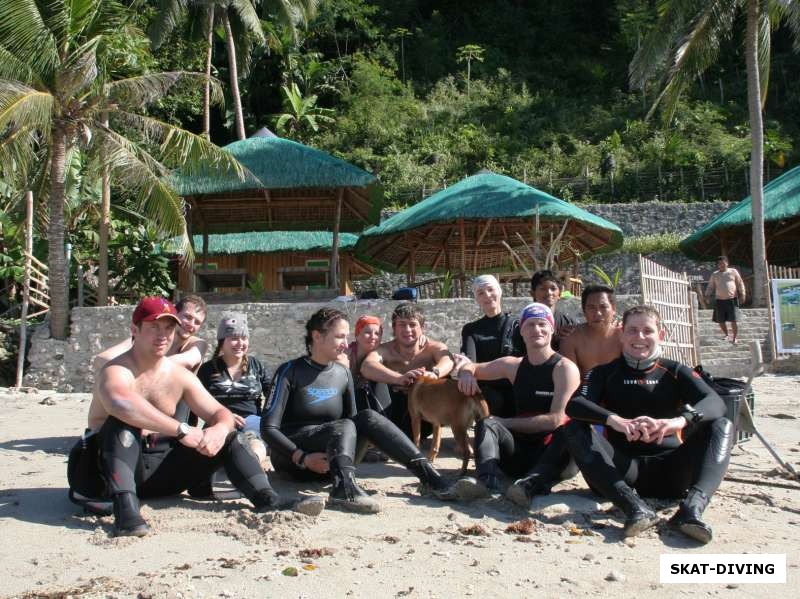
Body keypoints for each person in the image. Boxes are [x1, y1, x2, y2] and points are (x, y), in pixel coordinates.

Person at [68, 297, 284, 537]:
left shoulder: (179, 375)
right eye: (153, 327)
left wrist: (219, 430)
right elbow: (121, 404)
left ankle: (267, 498)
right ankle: (126, 513)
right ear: (134, 330)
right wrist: (182, 430)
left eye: (169, 328)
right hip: (105, 474)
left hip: (160, 472)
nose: (163, 335)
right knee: (123, 424)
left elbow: (219, 413)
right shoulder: (117, 370)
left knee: (231, 436)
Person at [564, 305, 734, 543]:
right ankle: (633, 508)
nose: (640, 337)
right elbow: (575, 405)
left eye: (647, 330)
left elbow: (715, 402)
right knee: (574, 427)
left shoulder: (674, 371)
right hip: (623, 472)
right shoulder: (604, 372)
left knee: (722, 425)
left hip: (673, 472)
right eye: (632, 330)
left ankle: (691, 510)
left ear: (660, 335)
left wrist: (677, 422)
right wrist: (615, 421)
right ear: (621, 334)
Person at [261, 307, 456, 514]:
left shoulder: (342, 373)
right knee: (345, 425)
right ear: (317, 337)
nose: (346, 344)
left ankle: (430, 477)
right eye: (339, 337)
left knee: (368, 417)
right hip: (294, 461)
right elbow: (268, 428)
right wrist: (301, 457)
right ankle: (343, 489)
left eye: (346, 337)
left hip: (333, 459)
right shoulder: (290, 371)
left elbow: (355, 422)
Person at [452, 303, 580, 505]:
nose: (536, 330)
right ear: (521, 330)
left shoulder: (565, 368)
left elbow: (554, 420)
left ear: (551, 329)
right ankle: (487, 482)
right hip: (520, 453)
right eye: (530, 325)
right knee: (487, 423)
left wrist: (505, 422)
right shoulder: (513, 366)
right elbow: (472, 366)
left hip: (553, 455)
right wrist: (467, 373)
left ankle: (531, 484)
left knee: (570, 429)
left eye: (542, 324)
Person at [87, 295, 209, 431]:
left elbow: (190, 359)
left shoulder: (197, 343)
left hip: (177, 408)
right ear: (175, 314)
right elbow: (101, 359)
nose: (191, 324)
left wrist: (147, 364)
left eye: (197, 322)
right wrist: (131, 369)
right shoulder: (143, 338)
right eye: (187, 317)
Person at [360, 303, 454, 438]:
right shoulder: (385, 350)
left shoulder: (432, 348)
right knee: (372, 381)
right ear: (394, 328)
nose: (407, 329)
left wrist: (433, 374)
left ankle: (459, 434)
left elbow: (448, 360)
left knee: (447, 380)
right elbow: (367, 366)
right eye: (402, 324)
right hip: (393, 410)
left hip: (424, 410)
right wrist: (399, 378)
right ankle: (382, 436)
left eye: (412, 324)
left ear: (422, 328)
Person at [197, 312, 271, 472]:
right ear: (222, 342)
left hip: (251, 421)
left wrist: (268, 420)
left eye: (244, 338)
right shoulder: (208, 370)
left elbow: (272, 396)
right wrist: (223, 417)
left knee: (254, 438)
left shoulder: (256, 365)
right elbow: (196, 401)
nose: (240, 343)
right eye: (234, 338)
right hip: (219, 422)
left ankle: (253, 465)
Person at [460, 275, 524, 417]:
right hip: (489, 397)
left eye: (490, 289)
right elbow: (468, 361)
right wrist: (466, 373)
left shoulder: (519, 325)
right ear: (477, 299)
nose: (487, 295)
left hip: (519, 392)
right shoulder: (471, 330)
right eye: (481, 293)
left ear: (499, 291)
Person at [559, 284, 622, 375]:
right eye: (591, 307)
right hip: (584, 387)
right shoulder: (570, 338)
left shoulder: (623, 337)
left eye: (603, 307)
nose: (598, 313)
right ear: (584, 311)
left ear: (613, 309)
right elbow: (570, 377)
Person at [530, 269, 577, 350]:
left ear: (560, 293)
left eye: (553, 288)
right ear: (532, 293)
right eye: (543, 288)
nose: (549, 292)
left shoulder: (569, 323)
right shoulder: (525, 322)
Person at [705, 256, 746, 344]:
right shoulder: (715, 274)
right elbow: (710, 286)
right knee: (720, 320)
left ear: (727, 263)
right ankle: (727, 335)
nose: (721, 265)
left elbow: (740, 283)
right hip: (719, 300)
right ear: (717, 265)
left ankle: (735, 338)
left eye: (723, 263)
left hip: (732, 299)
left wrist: (742, 294)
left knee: (733, 320)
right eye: (719, 264)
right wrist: (707, 295)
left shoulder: (733, 271)